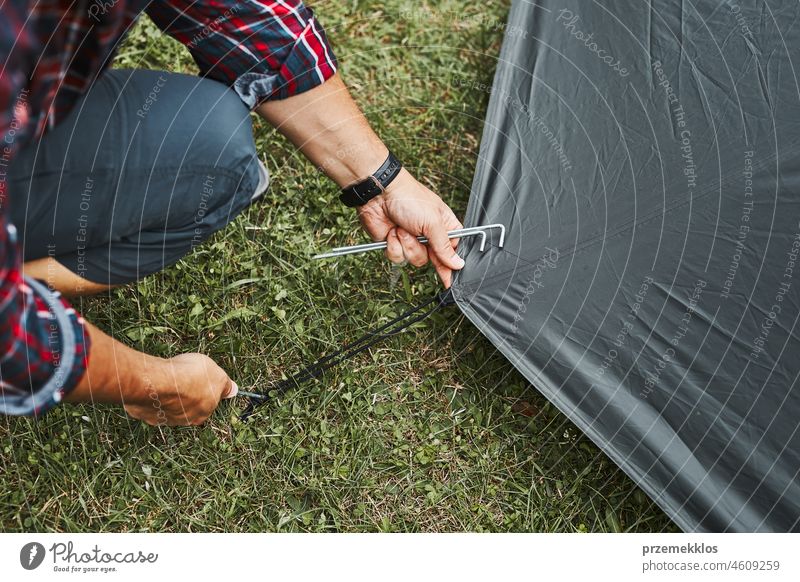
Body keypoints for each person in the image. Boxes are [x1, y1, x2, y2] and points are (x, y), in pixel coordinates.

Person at [0, 0, 464, 425]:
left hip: (21, 128)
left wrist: (382, 183)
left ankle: (19, 276)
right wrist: (154, 383)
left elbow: (249, 20)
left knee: (214, 152)